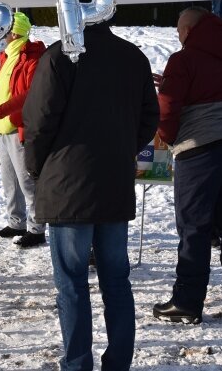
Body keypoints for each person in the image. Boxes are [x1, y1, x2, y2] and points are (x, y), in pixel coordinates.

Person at [23, 22, 159, 371]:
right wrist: (123, 148)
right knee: (116, 280)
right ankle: (118, 363)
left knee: (71, 284)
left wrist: (39, 169)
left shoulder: (60, 56)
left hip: (68, 186)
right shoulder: (132, 56)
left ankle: (78, 364)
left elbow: (39, 123)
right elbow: (149, 118)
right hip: (113, 183)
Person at [152, 7, 222, 325]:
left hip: (197, 151)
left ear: (191, 29)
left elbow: (168, 108)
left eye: (180, 29)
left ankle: (187, 301)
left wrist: (164, 138)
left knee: (193, 229)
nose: (178, 36)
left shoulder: (184, 59)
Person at [0, 12, 47, 247]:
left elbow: (28, 94)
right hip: (3, 127)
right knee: (9, 180)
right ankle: (16, 221)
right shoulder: (7, 56)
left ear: (13, 32)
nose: (1, 35)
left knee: (27, 181)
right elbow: (3, 90)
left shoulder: (32, 58)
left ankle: (37, 228)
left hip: (20, 127)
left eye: (4, 30)